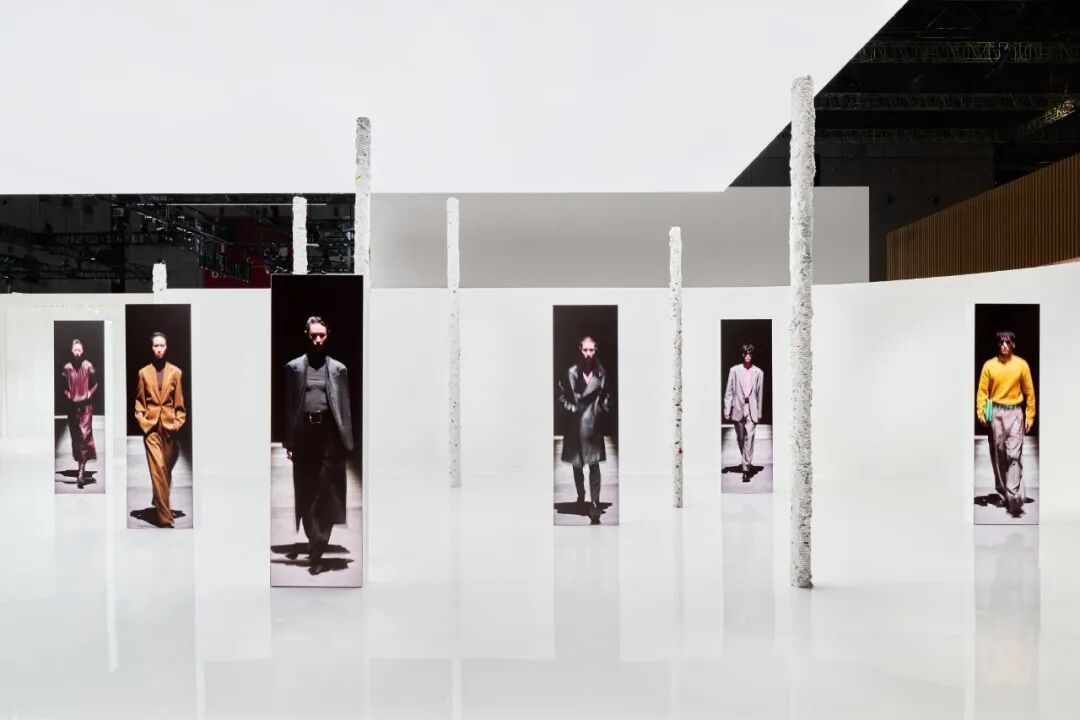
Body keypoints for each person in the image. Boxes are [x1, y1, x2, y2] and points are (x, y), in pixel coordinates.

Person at [283, 316, 354, 575]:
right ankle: (315, 541)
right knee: (306, 491)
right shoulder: (293, 368)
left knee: (326, 491)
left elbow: (344, 408)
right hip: (304, 434)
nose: (317, 340)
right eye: (313, 335)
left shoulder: (338, 370)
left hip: (328, 435)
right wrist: (289, 440)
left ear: (328, 334)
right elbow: (288, 407)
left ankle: (317, 549)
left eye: (321, 335)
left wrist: (346, 442)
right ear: (306, 334)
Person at [976, 330, 1036, 518]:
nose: (1004, 345)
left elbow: (1029, 393)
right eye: (1001, 342)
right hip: (996, 413)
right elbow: (982, 393)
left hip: (1015, 412)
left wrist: (1030, 415)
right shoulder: (989, 366)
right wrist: (981, 413)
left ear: (1013, 344)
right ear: (997, 345)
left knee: (1014, 455)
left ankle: (1013, 496)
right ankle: (1005, 491)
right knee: (999, 454)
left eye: (1007, 342)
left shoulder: (1021, 365)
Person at [134, 332, 187, 527]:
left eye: (162, 345)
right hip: (151, 428)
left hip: (169, 427)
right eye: (155, 346)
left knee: (165, 470)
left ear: (167, 347)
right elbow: (139, 402)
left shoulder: (176, 372)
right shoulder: (143, 373)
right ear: (151, 348)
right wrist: (143, 422)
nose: (159, 349)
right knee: (158, 469)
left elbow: (179, 403)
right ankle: (165, 518)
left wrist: (178, 422)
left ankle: (158, 499)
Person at [557, 336, 612, 525]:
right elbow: (561, 396)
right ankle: (581, 495)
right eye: (585, 350)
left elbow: (607, 395)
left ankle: (595, 502)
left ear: (596, 350)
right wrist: (572, 409)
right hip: (575, 424)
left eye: (591, 350)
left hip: (592, 425)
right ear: (580, 350)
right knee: (577, 464)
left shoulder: (601, 373)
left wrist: (601, 408)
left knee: (594, 465)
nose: (588, 354)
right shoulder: (571, 372)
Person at [723, 343, 765, 482]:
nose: (748, 356)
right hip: (738, 408)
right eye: (746, 353)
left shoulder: (758, 373)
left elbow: (759, 394)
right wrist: (727, 409)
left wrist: (759, 413)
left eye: (750, 354)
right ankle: (746, 461)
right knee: (741, 439)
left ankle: (746, 469)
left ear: (752, 355)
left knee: (750, 438)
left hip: (751, 409)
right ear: (742, 355)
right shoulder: (734, 371)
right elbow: (729, 392)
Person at [61, 338, 99, 488]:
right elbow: (62, 386)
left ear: (83, 351)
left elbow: (96, 383)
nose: (77, 352)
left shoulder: (88, 366)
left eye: (79, 350)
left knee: (84, 435)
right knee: (77, 438)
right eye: (75, 350)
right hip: (72, 407)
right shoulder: (67, 368)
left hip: (86, 407)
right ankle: (81, 462)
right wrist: (68, 395)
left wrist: (89, 393)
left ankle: (81, 471)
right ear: (72, 351)